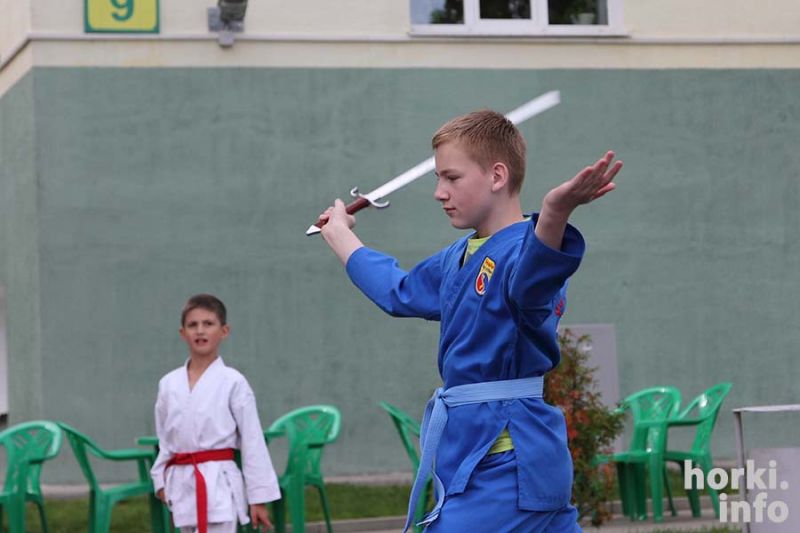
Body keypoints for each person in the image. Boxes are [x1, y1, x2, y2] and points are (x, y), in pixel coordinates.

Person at [317, 109, 622, 532]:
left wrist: (555, 214)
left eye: (452, 178)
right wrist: (341, 234)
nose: (439, 193)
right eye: (438, 178)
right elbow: (398, 291)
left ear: (497, 176)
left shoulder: (524, 252)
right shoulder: (457, 257)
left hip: (509, 465)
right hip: (481, 458)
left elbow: (532, 281)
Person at [150, 294, 281, 533]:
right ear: (183, 333)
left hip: (219, 483)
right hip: (181, 484)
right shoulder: (168, 384)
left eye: (208, 323)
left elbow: (253, 441)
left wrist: (258, 498)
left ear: (224, 331)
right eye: (193, 325)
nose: (200, 331)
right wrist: (160, 480)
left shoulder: (233, 382)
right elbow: (165, 440)